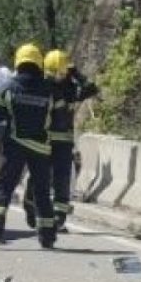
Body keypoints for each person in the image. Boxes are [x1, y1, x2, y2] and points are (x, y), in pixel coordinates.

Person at [0, 43, 58, 249]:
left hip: (14, 146)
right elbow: (58, 117)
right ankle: (47, 235)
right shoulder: (48, 90)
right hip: (41, 149)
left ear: (19, 62)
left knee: (4, 187)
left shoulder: (9, 87)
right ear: (38, 63)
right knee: (42, 192)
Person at [24, 49, 99, 231]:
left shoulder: (70, 88)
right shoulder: (42, 86)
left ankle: (59, 217)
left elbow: (92, 89)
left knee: (62, 179)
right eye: (53, 72)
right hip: (44, 141)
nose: (55, 77)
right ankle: (30, 206)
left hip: (64, 143)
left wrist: (76, 74)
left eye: (60, 73)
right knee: (38, 177)